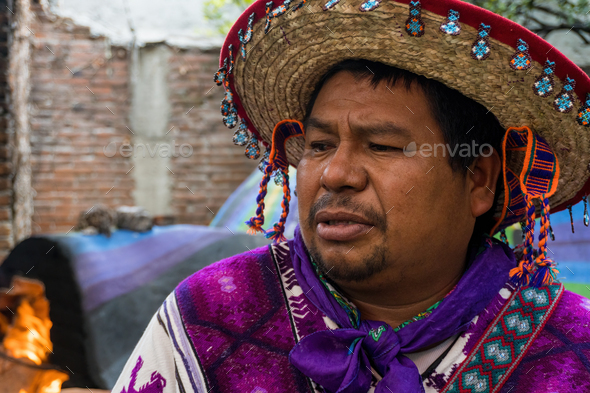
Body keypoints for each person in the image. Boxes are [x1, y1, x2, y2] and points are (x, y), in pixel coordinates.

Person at [112, 0, 590, 392]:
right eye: (319, 146)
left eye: (382, 146)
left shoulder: (572, 350)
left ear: (479, 179)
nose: (335, 173)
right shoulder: (210, 315)